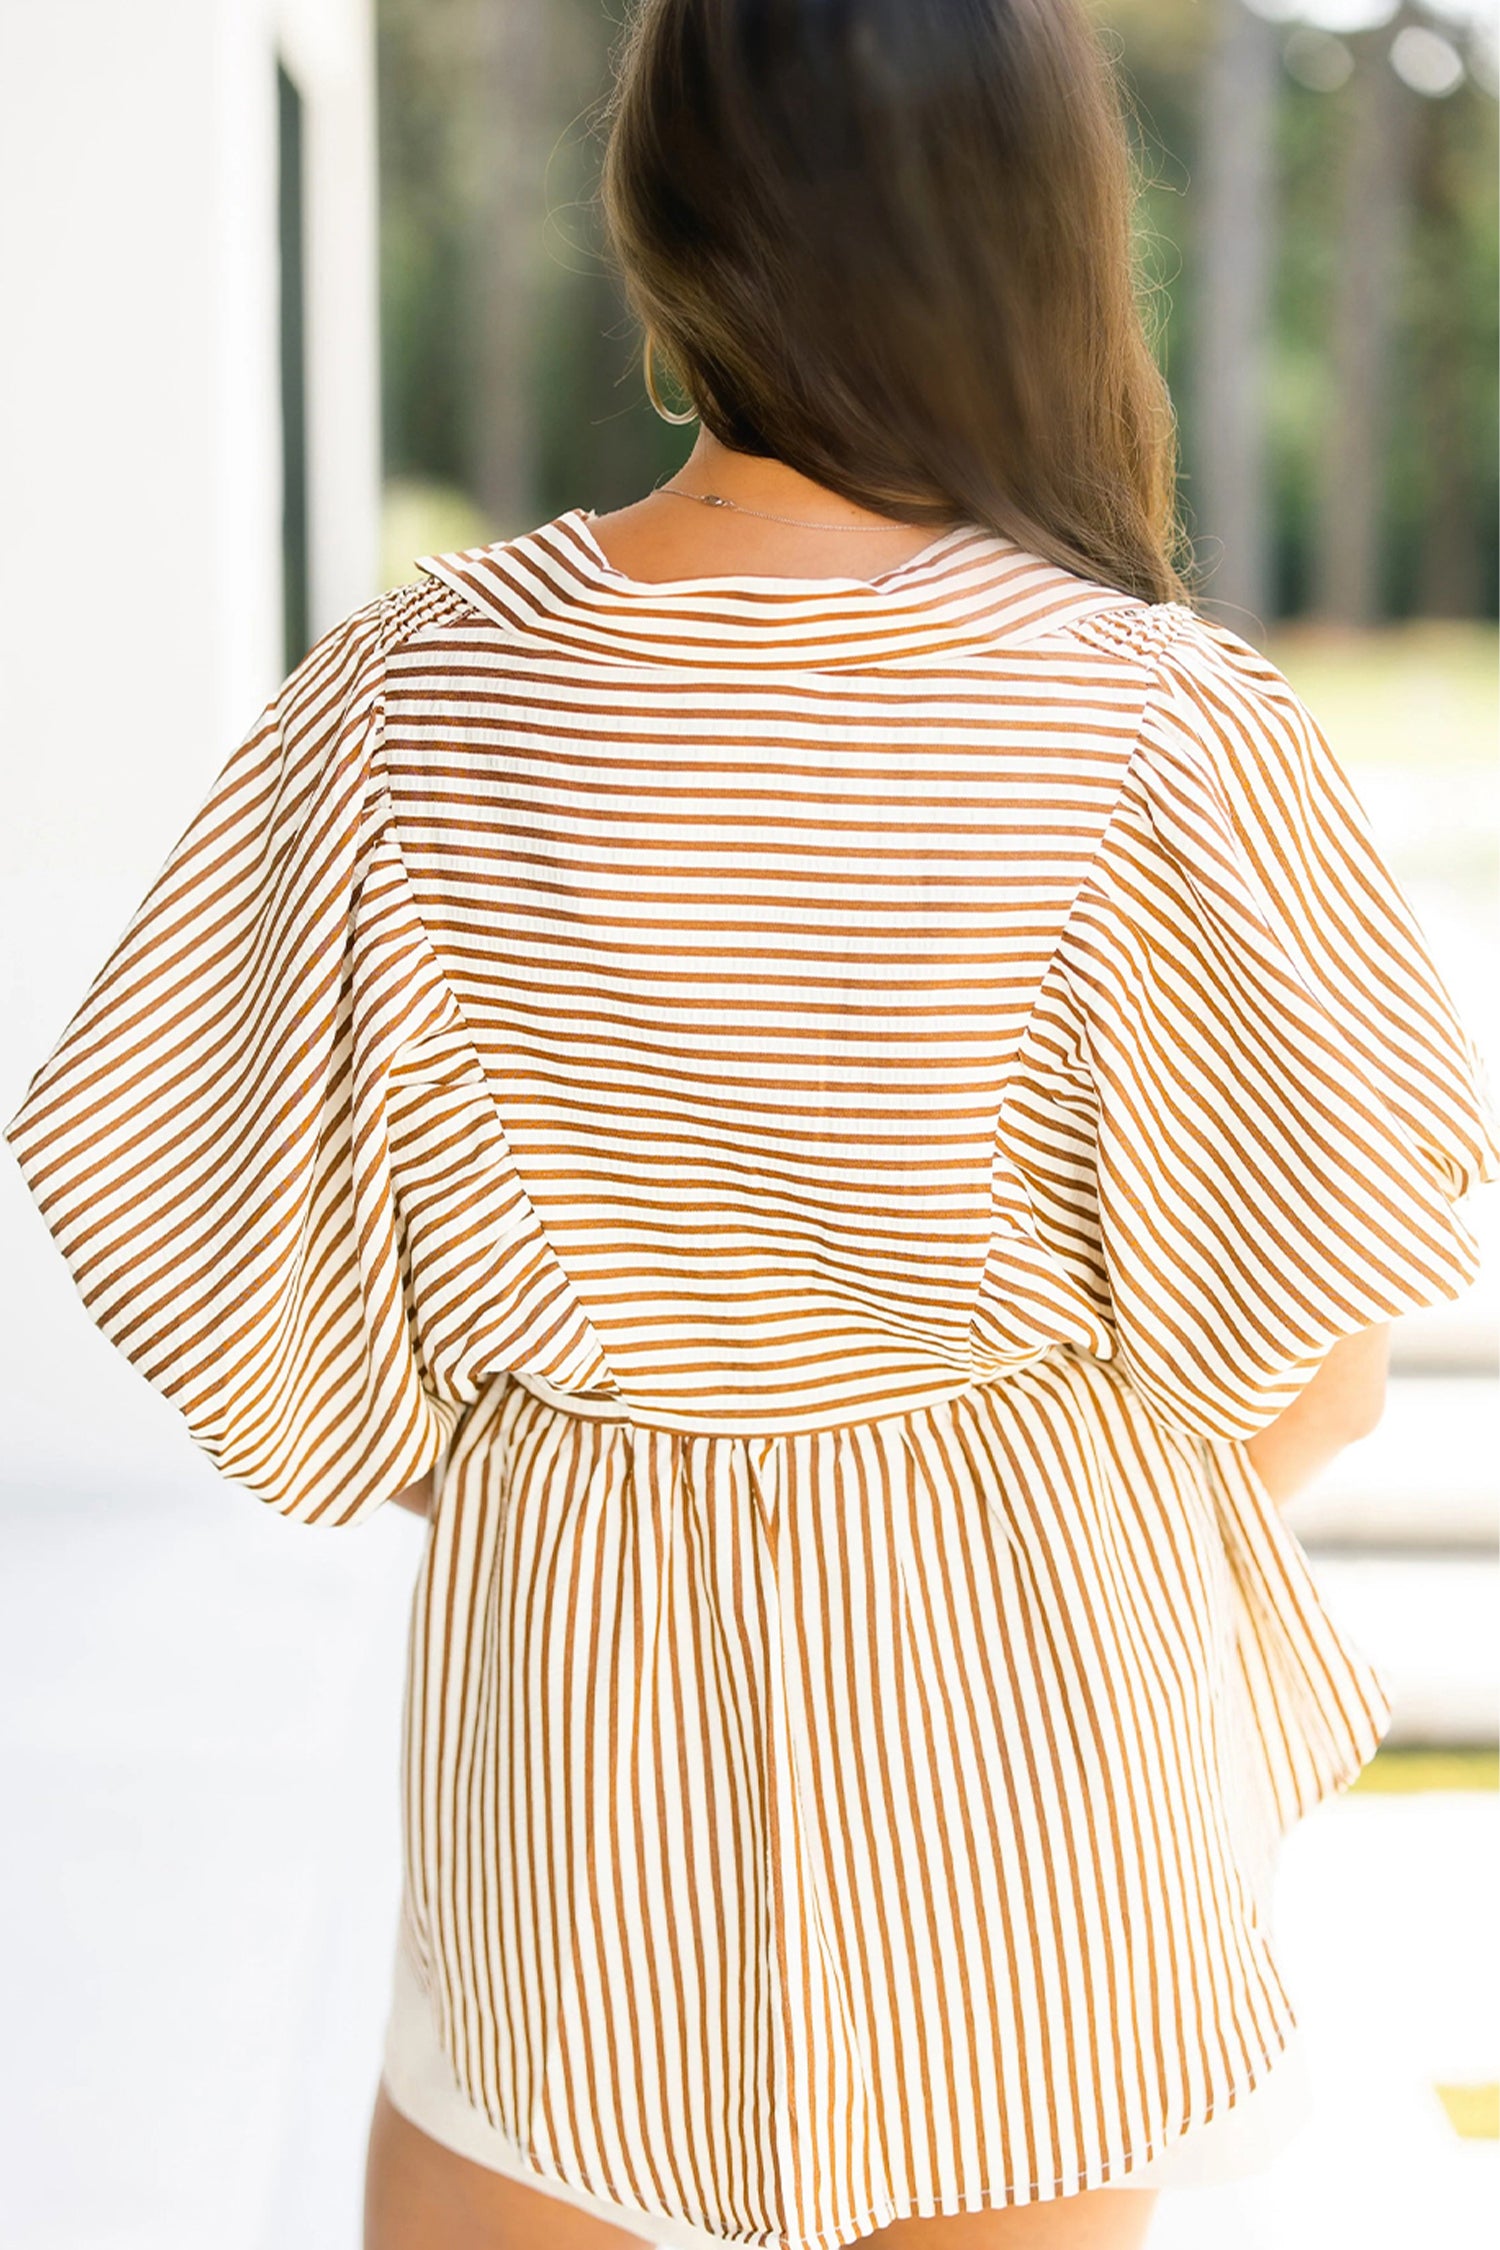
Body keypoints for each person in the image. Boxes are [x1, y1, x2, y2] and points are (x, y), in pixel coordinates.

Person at [7, 3, 1498, 2247]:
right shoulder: (1153, 725)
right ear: (1040, 230)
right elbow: (1312, 1382)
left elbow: (223, 1264)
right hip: (1025, 1755)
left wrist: (606, 1465)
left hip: (567, 1754)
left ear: (661, 222)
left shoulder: (406, 704)